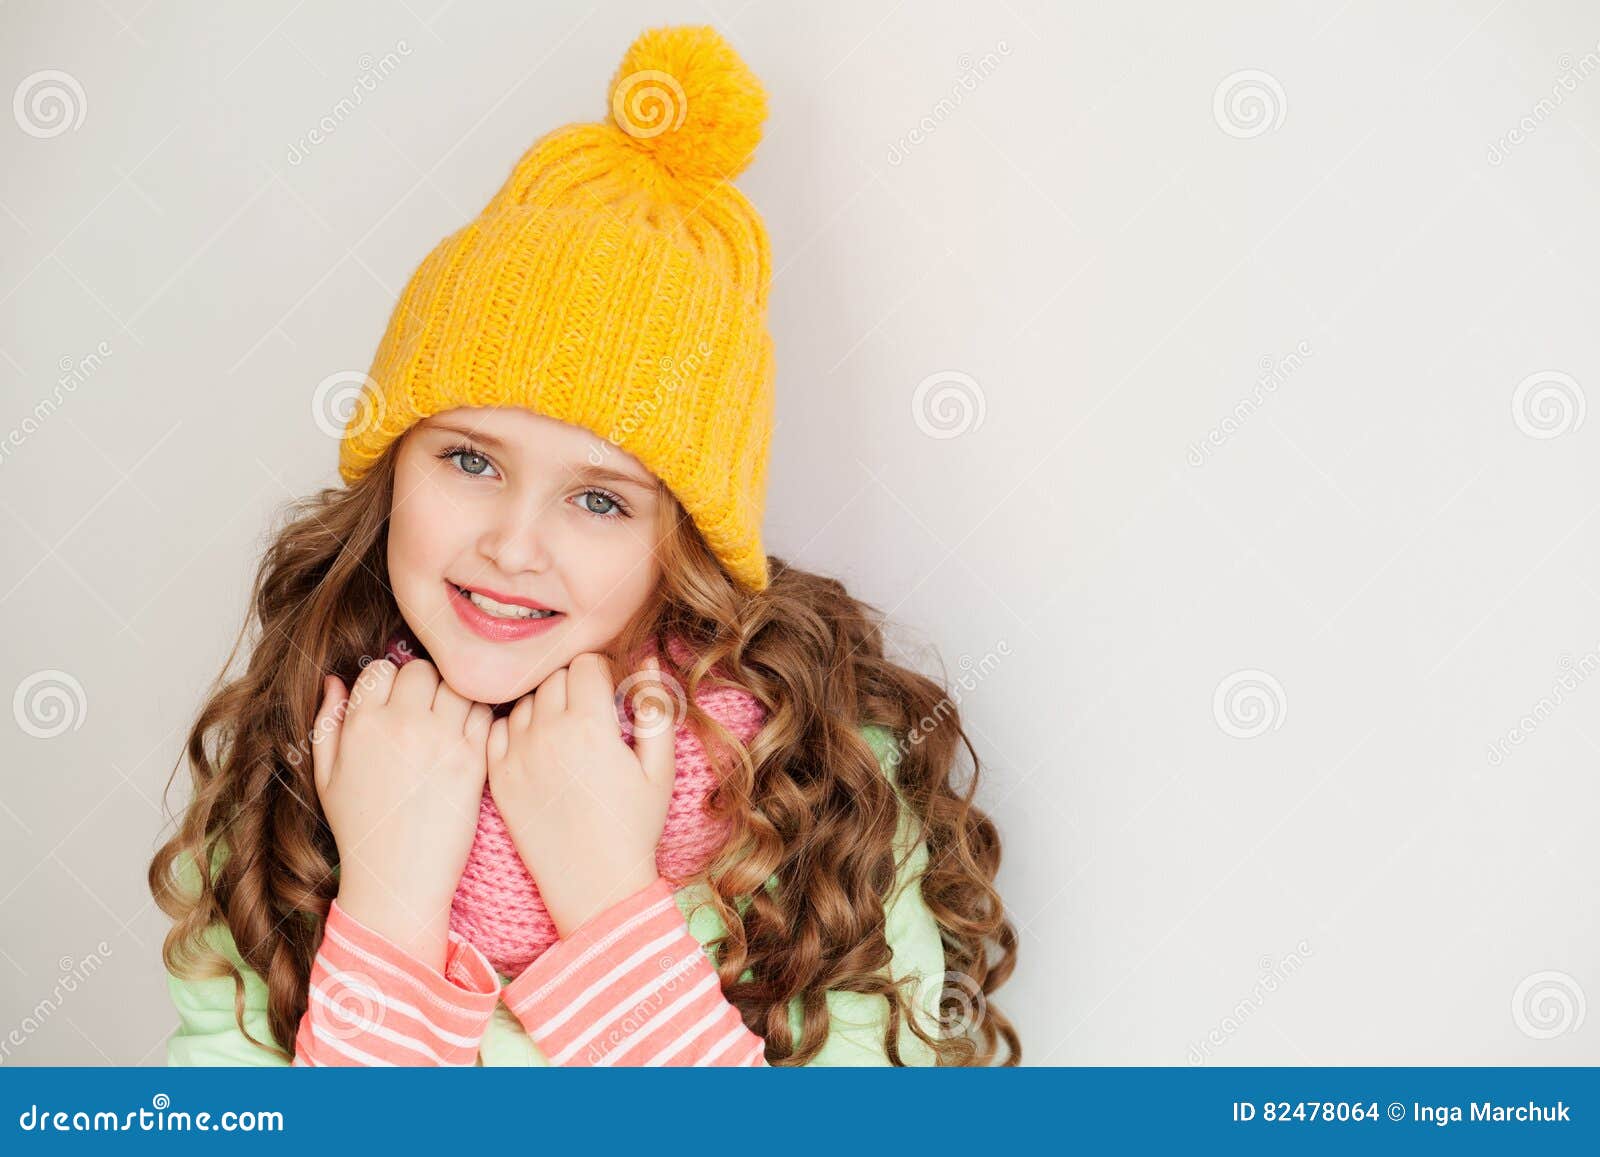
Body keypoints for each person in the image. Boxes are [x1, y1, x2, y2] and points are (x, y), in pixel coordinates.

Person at [148, 23, 1018, 1067]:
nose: (513, 544)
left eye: (600, 502)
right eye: (470, 461)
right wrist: (384, 903)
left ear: (684, 543)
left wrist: (607, 894)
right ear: (392, 468)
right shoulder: (291, 766)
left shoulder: (818, 787)